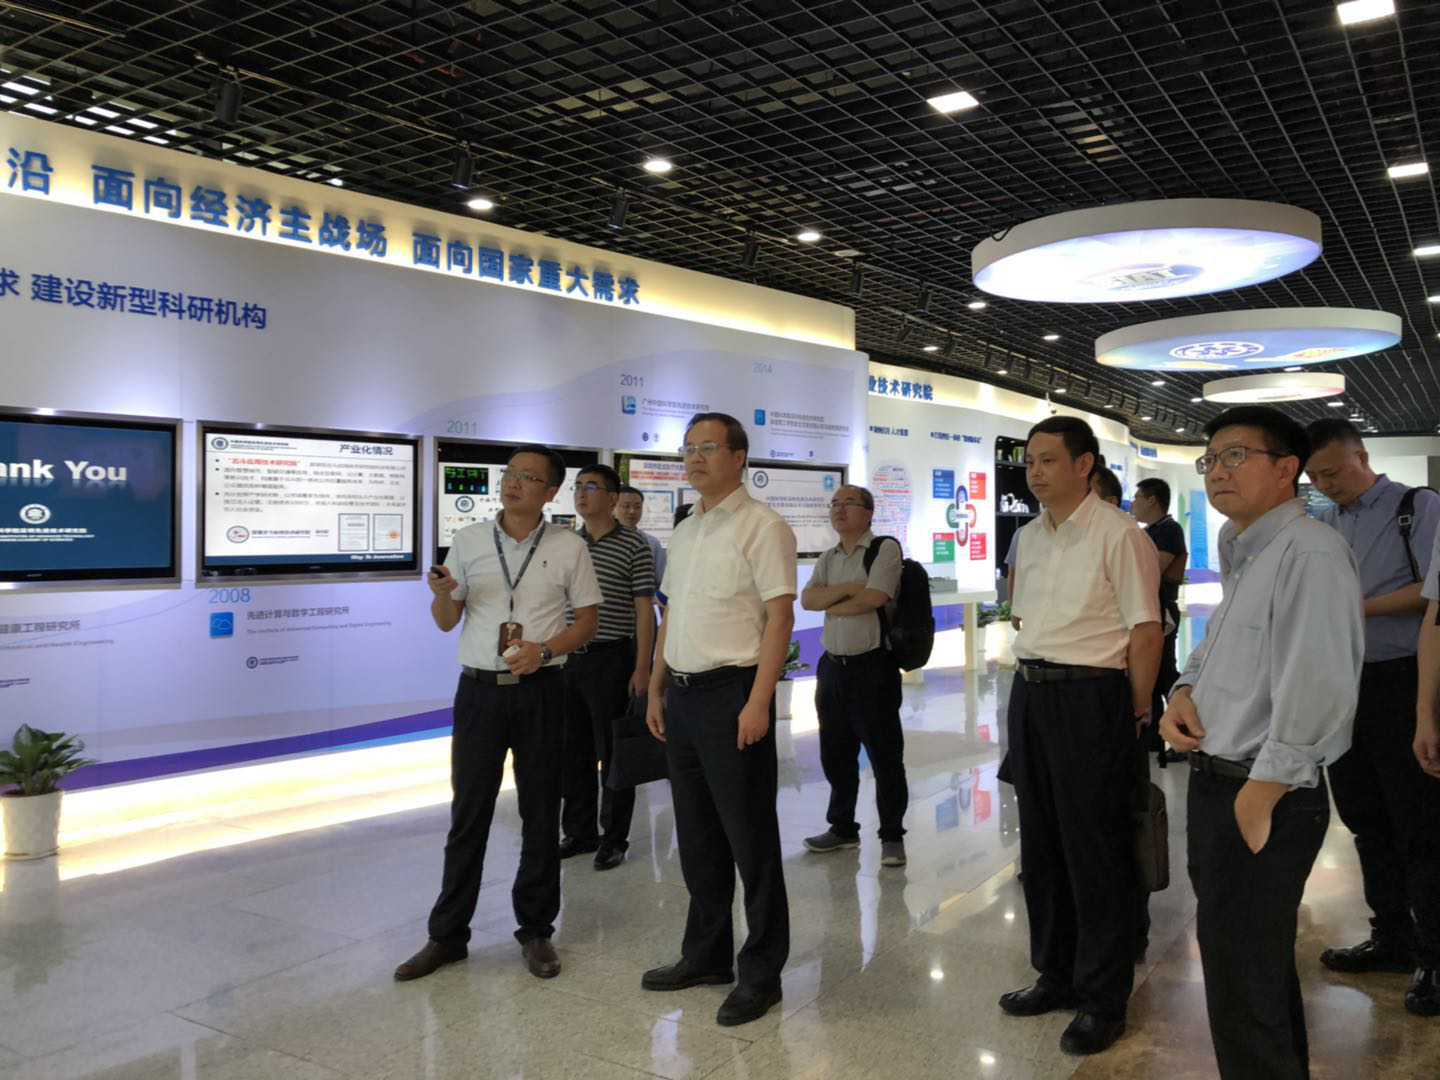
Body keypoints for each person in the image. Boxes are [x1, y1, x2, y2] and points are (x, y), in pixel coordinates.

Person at [1161, 406, 1363, 1078]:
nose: (1217, 471)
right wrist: (1183, 692)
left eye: (1236, 455)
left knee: (1245, 985)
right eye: (1210, 459)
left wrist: (1261, 793)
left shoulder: (1310, 552)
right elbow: (1222, 648)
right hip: (1222, 780)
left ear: (1286, 469)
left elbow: (1321, 685)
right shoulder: (1245, 548)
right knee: (1248, 975)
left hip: (1262, 791)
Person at [396, 444, 603, 983]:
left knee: (541, 811)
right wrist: (442, 594)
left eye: (528, 477)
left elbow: (587, 622)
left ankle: (536, 930)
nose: (512, 482)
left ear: (550, 491)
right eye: (510, 473)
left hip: (542, 690)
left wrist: (545, 650)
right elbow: (447, 620)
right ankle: (447, 935)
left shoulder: (568, 546)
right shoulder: (469, 540)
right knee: (469, 813)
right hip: (480, 693)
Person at [1001, 416, 1161, 1057]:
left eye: (1047, 460)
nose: (1034, 472)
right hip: (1031, 693)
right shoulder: (1029, 536)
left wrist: (1133, 712)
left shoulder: (1120, 535)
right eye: (1029, 461)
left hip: (1092, 697)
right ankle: (1056, 973)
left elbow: (1145, 631)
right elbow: (1023, 617)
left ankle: (1102, 998)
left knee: (1095, 850)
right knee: (1041, 846)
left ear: (1084, 464)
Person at [642, 412, 797, 1027]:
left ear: (739, 457)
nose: (695, 458)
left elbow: (780, 618)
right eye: (688, 449)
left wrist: (758, 701)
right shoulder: (686, 530)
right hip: (682, 696)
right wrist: (656, 688)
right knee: (698, 835)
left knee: (750, 839)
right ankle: (706, 955)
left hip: (733, 693)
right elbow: (671, 615)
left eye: (708, 447)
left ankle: (762, 972)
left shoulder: (764, 526)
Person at [1304, 418, 1440, 1017]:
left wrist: (1356, 607)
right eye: (1314, 477)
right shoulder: (1325, 523)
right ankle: (1392, 937)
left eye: (1332, 472)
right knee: (1365, 818)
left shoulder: (1417, 508)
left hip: (1407, 680)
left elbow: (1433, 593)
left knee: (1421, 825)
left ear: (1361, 457)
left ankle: (1434, 956)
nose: (1324, 485)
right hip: (1347, 686)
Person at [799, 483, 908, 867]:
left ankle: (892, 836)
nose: (838, 509)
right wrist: (848, 589)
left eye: (848, 503)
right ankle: (842, 827)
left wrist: (832, 601)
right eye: (834, 503)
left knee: (884, 755)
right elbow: (808, 600)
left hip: (871, 668)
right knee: (836, 753)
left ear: (868, 512)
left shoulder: (884, 549)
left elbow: (875, 597)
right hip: (832, 668)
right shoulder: (828, 557)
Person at [559, 465, 656, 871]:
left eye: (591, 487)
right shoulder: (566, 543)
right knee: (573, 751)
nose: (581, 494)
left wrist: (643, 666)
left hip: (611, 659)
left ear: (612, 498)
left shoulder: (634, 545)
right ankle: (579, 832)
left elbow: (644, 610)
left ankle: (614, 838)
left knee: (614, 754)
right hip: (567, 660)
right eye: (577, 486)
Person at [1130, 478, 1188, 739]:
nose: (1133, 503)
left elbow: (1151, 571)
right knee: (1152, 673)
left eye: (1137, 497)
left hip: (1161, 609)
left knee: (1164, 672)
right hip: (1149, 608)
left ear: (1152, 500)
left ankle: (1184, 728)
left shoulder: (1169, 530)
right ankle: (1153, 735)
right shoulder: (1149, 531)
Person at [617, 484, 666, 592]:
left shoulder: (652, 543)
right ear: (613, 507)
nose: (632, 511)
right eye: (626, 506)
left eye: (637, 507)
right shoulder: (604, 540)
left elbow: (662, 582)